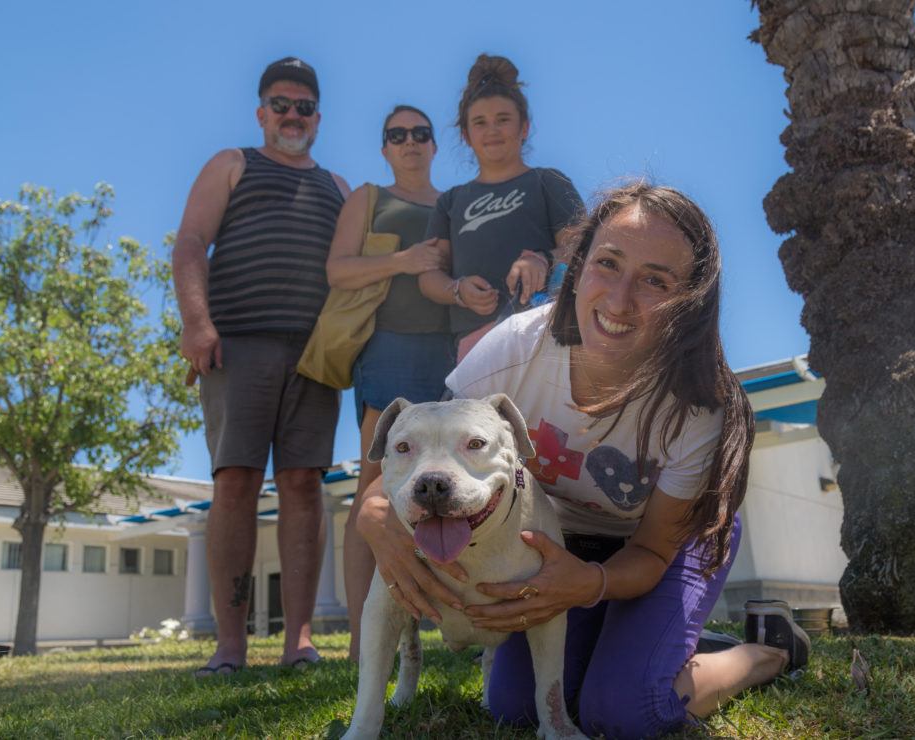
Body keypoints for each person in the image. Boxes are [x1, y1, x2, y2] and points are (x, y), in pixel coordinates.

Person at [357, 183, 812, 738]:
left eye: (654, 281)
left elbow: (648, 551)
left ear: (689, 300)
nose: (619, 301)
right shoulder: (509, 353)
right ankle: (650, 643)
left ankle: (766, 652)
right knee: (516, 708)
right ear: (576, 267)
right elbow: (427, 460)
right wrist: (372, 518)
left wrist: (588, 585)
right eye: (607, 264)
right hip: (559, 542)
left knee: (625, 712)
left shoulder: (696, 406)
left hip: (663, 542)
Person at [172, 56, 350, 675]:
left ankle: (298, 640)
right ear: (261, 113)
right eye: (281, 104)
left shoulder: (340, 188)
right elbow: (191, 242)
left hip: (313, 356)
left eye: (303, 107)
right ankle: (230, 646)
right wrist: (198, 323)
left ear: (318, 118)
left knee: (305, 486)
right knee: (235, 483)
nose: (292, 115)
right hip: (237, 344)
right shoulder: (232, 165)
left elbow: (359, 272)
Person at [326, 105, 455, 663]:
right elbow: (338, 270)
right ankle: (363, 642)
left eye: (420, 133)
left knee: (453, 495)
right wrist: (406, 260)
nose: (409, 141)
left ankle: (458, 629)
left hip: (452, 354)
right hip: (390, 347)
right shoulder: (369, 196)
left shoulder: (454, 203)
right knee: (375, 491)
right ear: (384, 147)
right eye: (396, 134)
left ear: (434, 143)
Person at [419, 53, 585, 362]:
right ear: (466, 136)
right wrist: (457, 290)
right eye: (480, 123)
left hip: (543, 332)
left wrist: (543, 260)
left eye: (503, 119)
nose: (492, 130)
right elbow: (429, 277)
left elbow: (583, 247)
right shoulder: (451, 200)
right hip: (474, 345)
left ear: (524, 127)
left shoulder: (548, 181)